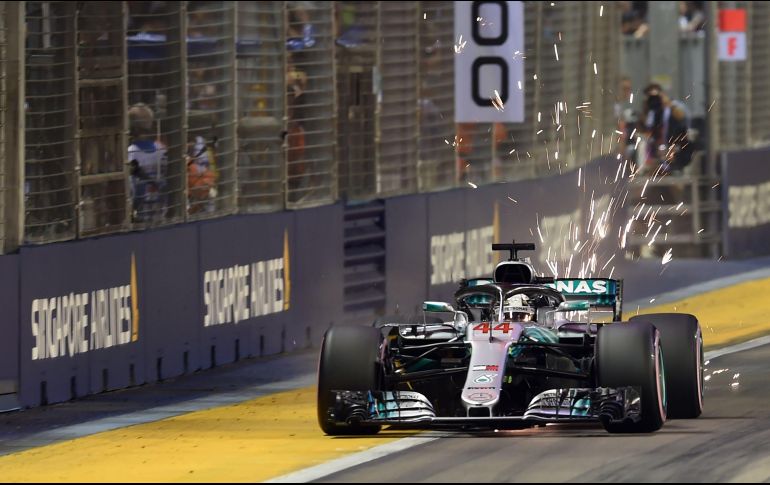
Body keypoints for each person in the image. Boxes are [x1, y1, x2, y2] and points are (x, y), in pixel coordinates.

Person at [639, 83, 693, 175]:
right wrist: (646, 109)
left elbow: (683, 118)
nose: (654, 100)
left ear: (662, 94)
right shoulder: (653, 112)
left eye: (656, 97)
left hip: (676, 153)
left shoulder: (674, 105)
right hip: (657, 154)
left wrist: (668, 104)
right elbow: (646, 131)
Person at [128, 103, 167, 222]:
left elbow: (133, 191)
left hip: (140, 218)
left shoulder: (131, 153)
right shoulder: (161, 149)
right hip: (161, 215)